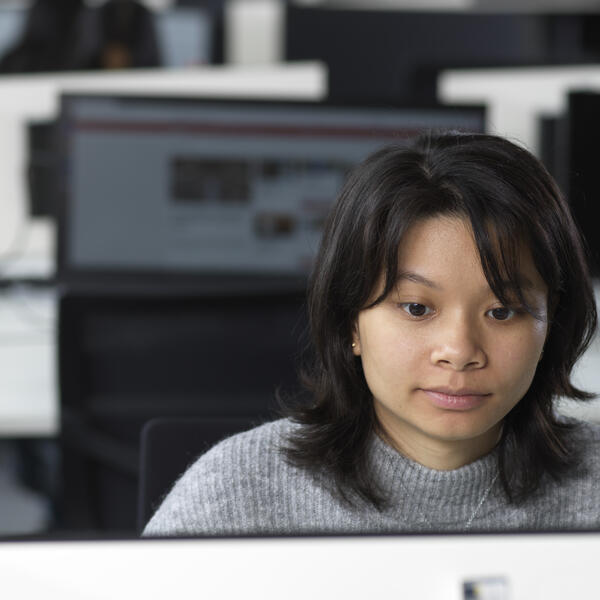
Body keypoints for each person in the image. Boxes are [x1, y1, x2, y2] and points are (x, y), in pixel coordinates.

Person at [143, 131, 600, 537]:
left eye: (502, 311)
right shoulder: (235, 498)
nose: (459, 352)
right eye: (417, 308)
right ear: (350, 321)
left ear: (550, 321)